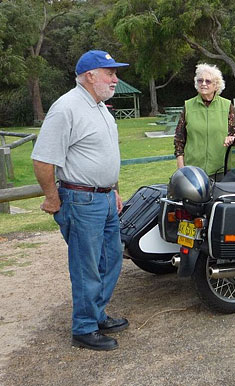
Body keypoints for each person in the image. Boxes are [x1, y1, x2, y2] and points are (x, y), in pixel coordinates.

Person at [31, 50, 130, 351]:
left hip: (104, 198)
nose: (115, 79)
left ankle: (97, 314)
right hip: (80, 200)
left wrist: (113, 189)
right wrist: (52, 198)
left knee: (111, 259)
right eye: (109, 73)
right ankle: (84, 327)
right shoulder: (67, 107)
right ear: (90, 76)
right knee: (86, 265)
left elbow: (103, 155)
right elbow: (42, 160)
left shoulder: (100, 107)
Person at [174, 63, 235, 181]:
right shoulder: (188, 106)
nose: (203, 84)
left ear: (216, 85)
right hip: (193, 172)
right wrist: (182, 169)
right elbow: (179, 140)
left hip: (221, 171)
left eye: (208, 81)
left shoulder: (227, 106)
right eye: (200, 80)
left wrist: (232, 138)